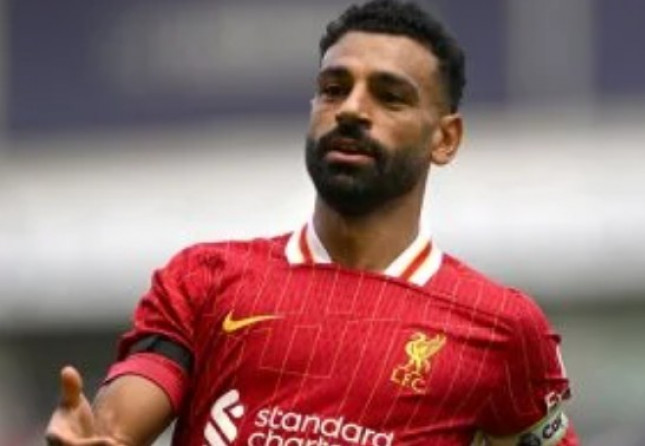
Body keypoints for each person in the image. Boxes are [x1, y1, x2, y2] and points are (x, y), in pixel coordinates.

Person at [46, 1, 579, 445]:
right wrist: (99, 437)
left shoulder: (501, 328)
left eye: (389, 97)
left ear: (445, 139)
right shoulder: (205, 279)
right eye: (333, 88)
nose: (351, 109)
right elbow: (119, 425)